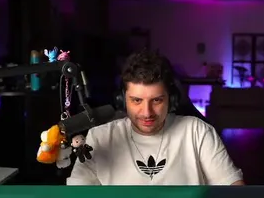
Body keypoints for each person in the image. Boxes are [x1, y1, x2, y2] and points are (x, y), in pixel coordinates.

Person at [66, 50, 244, 186]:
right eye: (136, 100)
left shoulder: (197, 132)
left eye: (157, 100)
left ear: (172, 99)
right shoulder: (99, 137)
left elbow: (234, 189)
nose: (147, 113)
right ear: (122, 100)